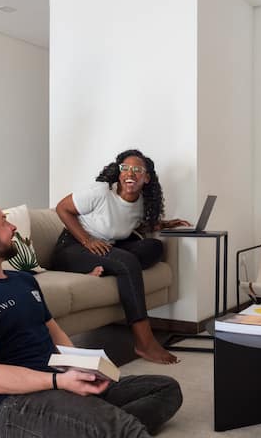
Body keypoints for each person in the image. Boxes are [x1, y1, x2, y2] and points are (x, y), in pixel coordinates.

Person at [0, 200, 182, 437]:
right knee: (124, 428)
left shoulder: (24, 281)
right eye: (3, 222)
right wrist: (59, 381)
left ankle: (86, 425)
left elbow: (55, 333)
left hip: (60, 382)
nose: (12, 227)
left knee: (166, 389)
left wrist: (81, 369)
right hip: (15, 403)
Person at [51, 149, 191, 365]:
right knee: (127, 262)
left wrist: (163, 224)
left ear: (146, 178)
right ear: (118, 172)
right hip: (72, 249)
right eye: (125, 168)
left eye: (137, 170)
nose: (130, 173)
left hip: (104, 249)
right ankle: (144, 342)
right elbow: (62, 208)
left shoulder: (141, 203)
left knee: (154, 247)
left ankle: (106, 269)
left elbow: (131, 224)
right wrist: (87, 240)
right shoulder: (100, 192)